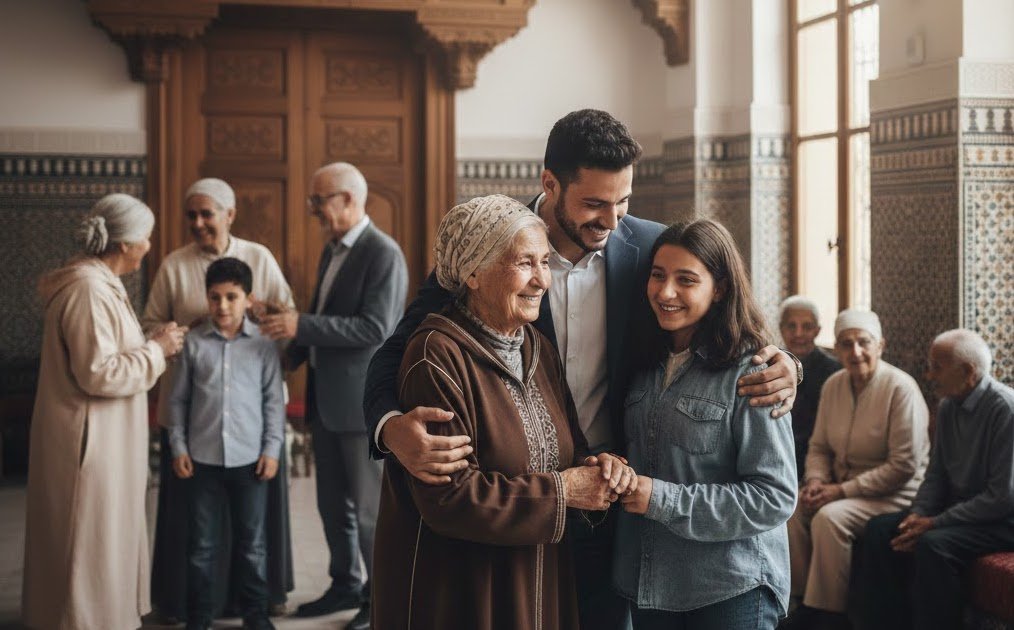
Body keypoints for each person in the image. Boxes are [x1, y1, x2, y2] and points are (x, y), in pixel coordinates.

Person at [363, 109, 801, 630]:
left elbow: (717, 310)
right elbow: (398, 350)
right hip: (514, 499)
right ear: (550, 183)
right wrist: (390, 428)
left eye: (623, 202)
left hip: (612, 499)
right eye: (595, 203)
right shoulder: (486, 246)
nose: (612, 222)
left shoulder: (647, 251)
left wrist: (788, 362)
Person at [373, 194, 631, 629]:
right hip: (462, 592)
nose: (542, 281)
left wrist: (598, 469)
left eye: (545, 262)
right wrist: (564, 492)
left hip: (537, 581)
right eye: (525, 263)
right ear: (472, 271)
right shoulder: (436, 356)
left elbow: (571, 451)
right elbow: (450, 498)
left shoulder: (537, 347)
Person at [614, 219, 797, 629]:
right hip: (651, 585)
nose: (665, 292)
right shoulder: (644, 363)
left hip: (730, 586)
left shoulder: (752, 372)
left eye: (686, 280)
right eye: (658, 276)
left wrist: (661, 498)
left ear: (721, 289)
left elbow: (774, 496)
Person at [22, 194, 186, 630]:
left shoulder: (97, 283)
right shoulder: (87, 289)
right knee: (88, 546)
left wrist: (153, 347)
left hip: (101, 438)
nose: (150, 246)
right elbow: (98, 372)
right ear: (128, 242)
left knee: (101, 544)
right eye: (147, 238)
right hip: (88, 445)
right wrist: (158, 349)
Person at [260, 162, 408, 629]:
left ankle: (378, 598)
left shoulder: (383, 254)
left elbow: (374, 327)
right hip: (324, 402)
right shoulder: (331, 251)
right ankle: (344, 585)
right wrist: (292, 352)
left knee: (368, 513)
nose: (313, 210)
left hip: (362, 405)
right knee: (331, 508)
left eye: (318, 200)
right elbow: (325, 316)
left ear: (348, 199)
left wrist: (299, 325)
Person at [144, 177, 295, 620]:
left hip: (251, 412)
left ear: (229, 215)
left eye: (206, 213)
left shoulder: (259, 258)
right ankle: (186, 606)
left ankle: (257, 604)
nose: (198, 222)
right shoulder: (173, 264)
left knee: (254, 532)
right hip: (196, 413)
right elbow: (150, 322)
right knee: (196, 531)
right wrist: (194, 327)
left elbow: (286, 317)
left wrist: (261, 317)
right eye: (191, 214)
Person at [782, 309, 930, 630]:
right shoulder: (834, 385)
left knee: (830, 519)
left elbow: (904, 466)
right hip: (841, 487)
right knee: (793, 507)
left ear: (880, 345)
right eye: (846, 344)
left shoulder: (900, 389)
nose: (856, 352)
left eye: (864, 342)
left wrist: (839, 491)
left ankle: (830, 615)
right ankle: (802, 602)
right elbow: (819, 446)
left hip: (894, 494)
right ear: (836, 349)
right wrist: (816, 481)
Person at [859, 329, 1014, 630]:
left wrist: (935, 523)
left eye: (937, 367)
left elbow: (1002, 498)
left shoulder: (1005, 410)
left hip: (1003, 521)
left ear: (968, 372)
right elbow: (937, 473)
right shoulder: (947, 407)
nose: (929, 375)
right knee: (882, 530)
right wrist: (918, 514)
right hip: (961, 512)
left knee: (934, 544)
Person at [167, 257, 284, 630]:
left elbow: (272, 401)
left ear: (248, 299)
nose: (222, 306)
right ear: (206, 297)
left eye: (232, 297)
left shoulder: (264, 346)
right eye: (215, 297)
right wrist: (179, 446)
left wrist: (272, 449)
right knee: (201, 547)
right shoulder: (194, 344)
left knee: (253, 545)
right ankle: (199, 618)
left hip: (251, 461)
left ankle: (255, 614)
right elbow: (178, 400)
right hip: (201, 460)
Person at [779, 295, 841, 483]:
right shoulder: (769, 365)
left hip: (819, 462)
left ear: (817, 331)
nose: (798, 334)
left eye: (806, 327)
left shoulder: (834, 372)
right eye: (791, 326)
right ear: (781, 329)